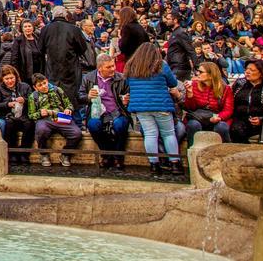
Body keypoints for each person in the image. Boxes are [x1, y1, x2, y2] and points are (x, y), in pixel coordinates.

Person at [124, 43, 183, 175]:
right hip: (161, 105)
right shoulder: (161, 65)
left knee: (150, 134)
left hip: (141, 107)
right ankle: (175, 164)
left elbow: (128, 83)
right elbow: (173, 83)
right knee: (168, 134)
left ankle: (154, 165)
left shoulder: (131, 66)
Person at [79, 54, 130, 169]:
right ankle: (107, 153)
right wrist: (87, 96)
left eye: (113, 66)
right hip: (97, 112)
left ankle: (118, 156)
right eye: (109, 67)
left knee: (120, 125)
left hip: (118, 111)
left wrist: (127, 100)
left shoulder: (122, 78)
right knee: (93, 125)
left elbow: (129, 96)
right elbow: (80, 96)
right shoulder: (88, 78)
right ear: (100, 68)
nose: (113, 69)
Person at [37, 6, 88, 111]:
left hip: (52, 68)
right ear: (65, 15)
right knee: (71, 97)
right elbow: (83, 48)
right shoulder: (74, 29)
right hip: (70, 68)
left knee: (53, 96)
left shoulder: (45, 29)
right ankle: (73, 120)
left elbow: (40, 49)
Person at [26, 72, 80, 167]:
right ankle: (44, 154)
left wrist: (68, 109)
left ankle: (66, 154)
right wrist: (39, 114)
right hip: (45, 120)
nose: (43, 86)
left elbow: (69, 104)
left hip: (61, 117)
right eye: (40, 85)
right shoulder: (33, 97)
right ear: (35, 87)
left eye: (44, 83)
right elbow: (31, 115)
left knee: (76, 133)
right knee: (41, 131)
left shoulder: (57, 90)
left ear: (47, 81)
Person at [183, 62, 234, 144]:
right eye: (197, 71)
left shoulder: (225, 89)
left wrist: (219, 117)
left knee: (221, 127)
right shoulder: (194, 85)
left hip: (217, 118)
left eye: (201, 72)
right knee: (193, 125)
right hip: (198, 118)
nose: (197, 73)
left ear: (211, 75)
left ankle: (225, 152)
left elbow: (228, 109)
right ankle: (192, 152)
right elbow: (190, 109)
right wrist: (190, 94)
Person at [0, 65, 32, 163]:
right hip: (8, 115)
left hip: (24, 116)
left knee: (29, 124)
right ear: (2, 79)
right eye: (7, 79)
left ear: (16, 77)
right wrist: (8, 104)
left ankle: (24, 153)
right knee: (9, 124)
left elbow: (33, 100)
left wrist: (24, 100)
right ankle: (12, 153)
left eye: (12, 78)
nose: (10, 81)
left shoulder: (25, 86)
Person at [164, 13, 198, 82]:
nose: (166, 21)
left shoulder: (180, 33)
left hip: (180, 67)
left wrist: (196, 67)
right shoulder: (175, 33)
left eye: (168, 19)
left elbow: (190, 50)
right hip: (175, 66)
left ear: (175, 20)